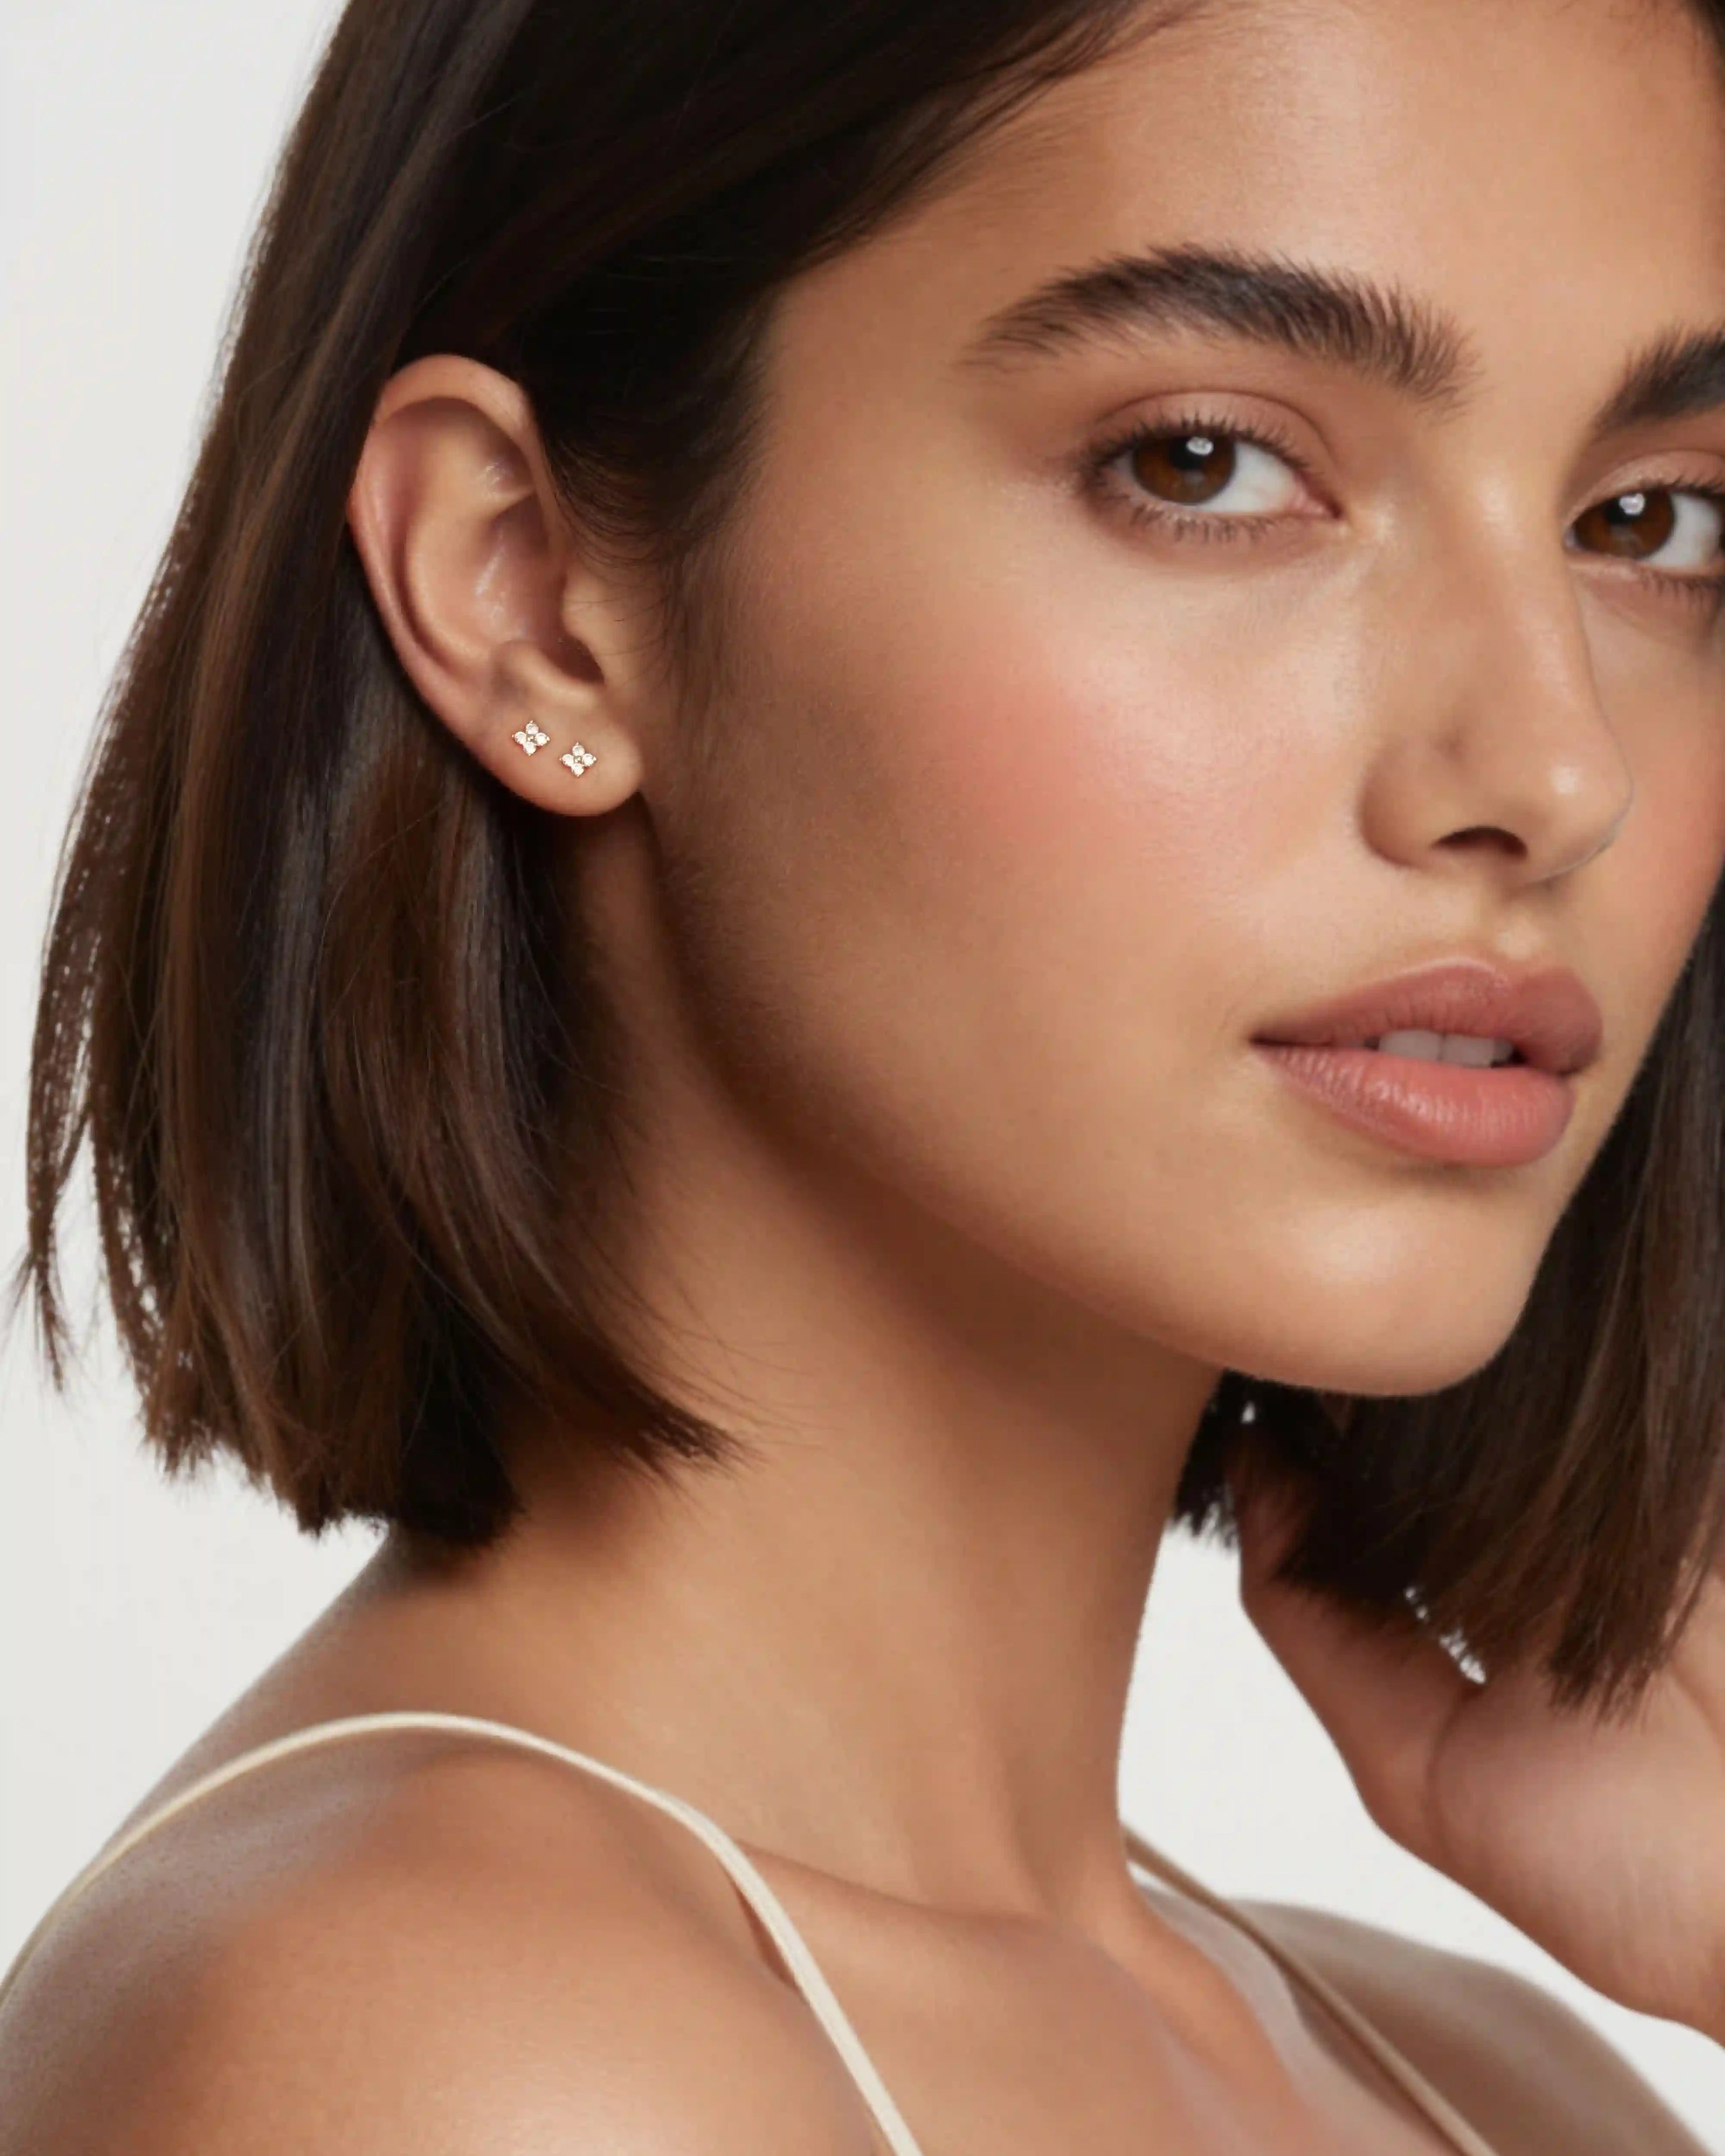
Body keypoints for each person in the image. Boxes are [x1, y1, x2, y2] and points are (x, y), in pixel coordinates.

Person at [5, 0, 1725, 2145]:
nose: (1554, 771)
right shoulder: (455, 2063)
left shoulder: (1502, 2079)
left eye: (1650, 521)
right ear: (526, 591)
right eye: (1205, 465)